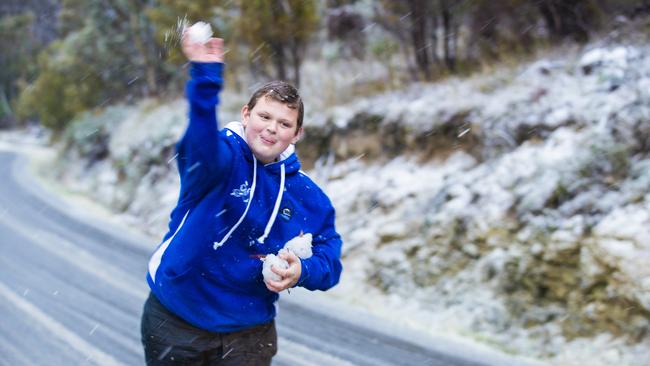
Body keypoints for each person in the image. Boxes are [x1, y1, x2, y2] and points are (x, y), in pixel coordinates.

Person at [139, 29, 343, 365]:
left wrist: (302, 270)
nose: (271, 128)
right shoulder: (219, 160)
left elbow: (330, 258)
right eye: (264, 116)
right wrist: (205, 79)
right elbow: (199, 145)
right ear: (246, 114)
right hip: (176, 317)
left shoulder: (307, 196)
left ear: (297, 133)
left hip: (250, 334)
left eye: (284, 123)